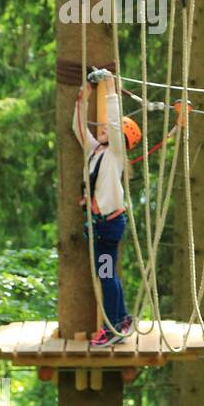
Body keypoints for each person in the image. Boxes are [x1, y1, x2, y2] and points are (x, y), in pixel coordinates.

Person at [71, 69, 140, 347]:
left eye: (107, 130)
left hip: (109, 224)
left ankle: (113, 326)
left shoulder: (115, 154)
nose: (100, 130)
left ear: (120, 137)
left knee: (106, 274)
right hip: (102, 224)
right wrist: (84, 94)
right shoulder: (95, 151)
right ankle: (119, 319)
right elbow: (77, 126)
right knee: (107, 274)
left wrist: (110, 87)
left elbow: (113, 122)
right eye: (98, 129)